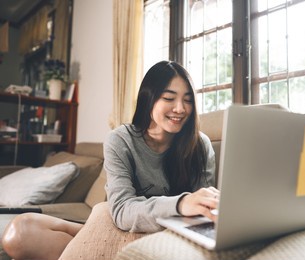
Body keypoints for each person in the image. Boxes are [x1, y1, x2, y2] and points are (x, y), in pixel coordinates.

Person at [1, 60, 219, 260]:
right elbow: (122, 211)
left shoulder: (200, 145)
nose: (180, 108)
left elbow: (203, 215)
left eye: (188, 100)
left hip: (166, 236)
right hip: (121, 224)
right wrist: (181, 203)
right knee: (19, 233)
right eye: (169, 98)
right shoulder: (121, 140)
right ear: (148, 98)